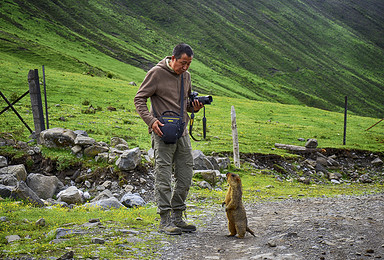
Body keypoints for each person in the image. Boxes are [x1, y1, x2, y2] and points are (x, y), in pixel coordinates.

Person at [134, 43, 204, 235]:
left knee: (185, 175)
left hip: (182, 133)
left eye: (189, 63)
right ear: (173, 58)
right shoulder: (156, 73)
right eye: (183, 63)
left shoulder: (186, 77)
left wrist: (194, 107)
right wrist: (151, 121)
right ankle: (164, 220)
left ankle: (178, 217)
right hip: (162, 132)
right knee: (163, 176)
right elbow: (139, 98)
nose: (185, 67)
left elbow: (185, 104)